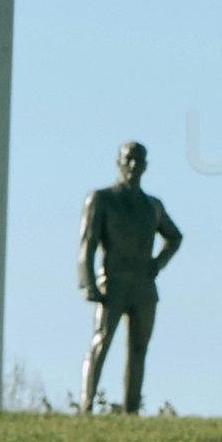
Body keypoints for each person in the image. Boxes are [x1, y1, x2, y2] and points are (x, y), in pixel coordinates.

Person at [77, 137, 181, 410]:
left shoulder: (152, 206)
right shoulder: (102, 199)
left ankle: (131, 407)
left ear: (146, 166)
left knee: (138, 349)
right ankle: (86, 404)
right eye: (128, 160)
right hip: (112, 283)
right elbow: (87, 244)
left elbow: (175, 237)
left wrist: (157, 264)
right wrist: (88, 282)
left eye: (139, 160)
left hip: (143, 287)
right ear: (119, 163)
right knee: (101, 342)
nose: (133, 165)